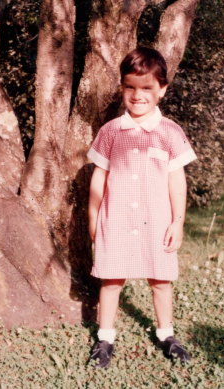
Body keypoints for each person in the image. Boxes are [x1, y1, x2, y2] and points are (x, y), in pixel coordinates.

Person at [87, 47, 197, 368]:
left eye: (147, 87)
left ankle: (166, 334)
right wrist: (94, 219)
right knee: (111, 279)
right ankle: (105, 338)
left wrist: (177, 222)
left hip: (157, 221)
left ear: (162, 89)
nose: (138, 95)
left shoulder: (170, 133)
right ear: (122, 88)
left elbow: (177, 182)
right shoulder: (110, 132)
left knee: (160, 279)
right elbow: (99, 179)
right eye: (130, 87)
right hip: (116, 220)